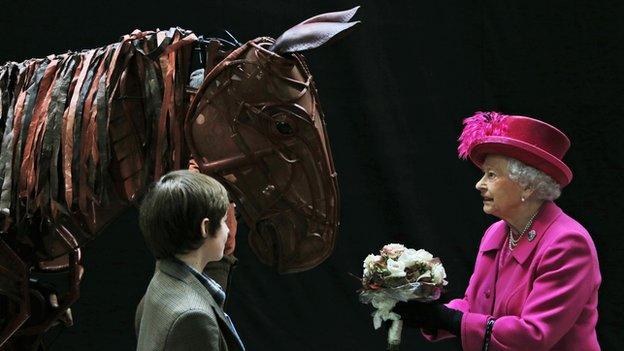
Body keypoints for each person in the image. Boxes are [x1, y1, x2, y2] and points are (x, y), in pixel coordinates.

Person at [395, 112, 601, 350]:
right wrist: (431, 313)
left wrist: (451, 321)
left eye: (491, 175)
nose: (479, 184)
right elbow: (472, 305)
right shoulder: (496, 233)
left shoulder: (567, 243)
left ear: (528, 185)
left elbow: (534, 335)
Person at [135, 170, 245, 351]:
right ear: (206, 227)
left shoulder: (162, 279)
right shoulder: (193, 319)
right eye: (224, 221)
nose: (228, 231)